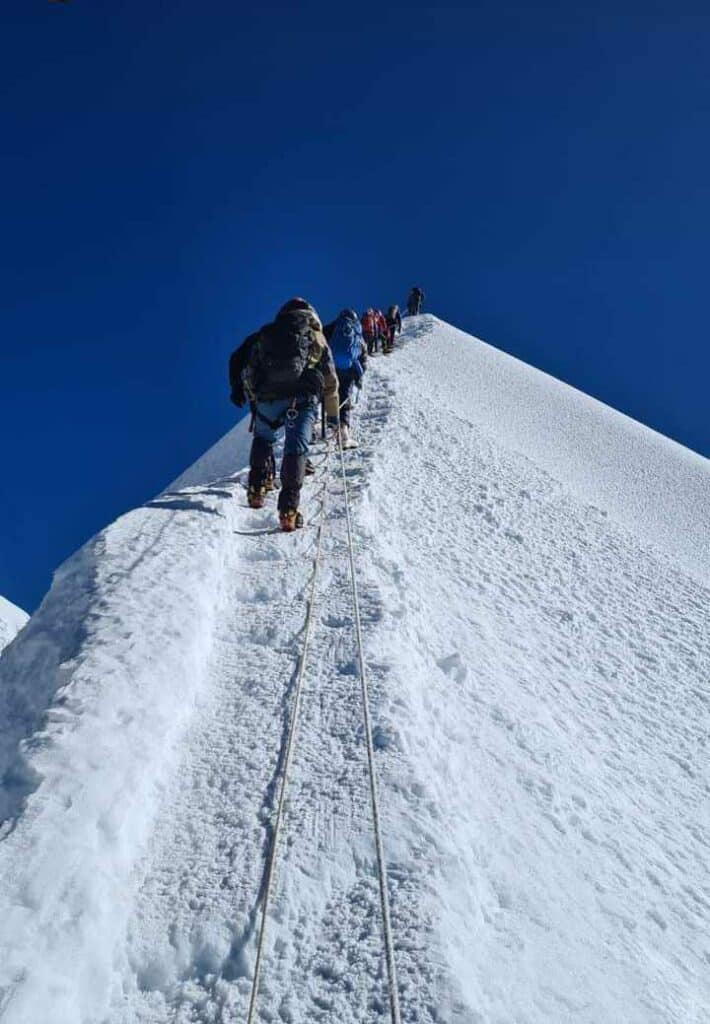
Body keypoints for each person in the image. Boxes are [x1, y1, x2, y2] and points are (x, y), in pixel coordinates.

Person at [236, 298, 339, 531]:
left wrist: (256, 399)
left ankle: (257, 488)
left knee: (263, 438)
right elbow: (330, 379)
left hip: (267, 398)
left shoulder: (267, 334)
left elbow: (251, 370)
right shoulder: (316, 335)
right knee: (295, 448)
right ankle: (288, 510)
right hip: (301, 400)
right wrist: (332, 415)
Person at [328, 308, 367, 448]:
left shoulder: (333, 327)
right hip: (350, 370)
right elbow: (363, 353)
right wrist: (359, 376)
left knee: (330, 394)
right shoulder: (357, 331)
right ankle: (344, 435)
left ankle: (328, 425)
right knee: (344, 397)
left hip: (331, 367)